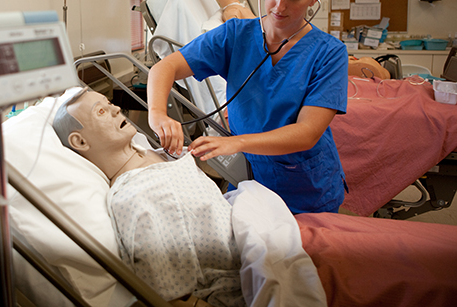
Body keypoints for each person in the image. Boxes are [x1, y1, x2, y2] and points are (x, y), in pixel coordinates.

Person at [52, 87, 326, 307]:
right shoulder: (135, 196)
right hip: (245, 273)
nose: (115, 108)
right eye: (101, 111)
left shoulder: (157, 154)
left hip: (259, 228)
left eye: (109, 103)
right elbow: (171, 294)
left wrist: (197, 151)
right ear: (80, 142)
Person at [147, 0, 348, 214]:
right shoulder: (234, 35)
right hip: (248, 182)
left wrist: (236, 142)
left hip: (307, 190)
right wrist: (158, 114)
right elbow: (164, 68)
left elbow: (307, 133)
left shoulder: (329, 53)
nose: (279, 5)